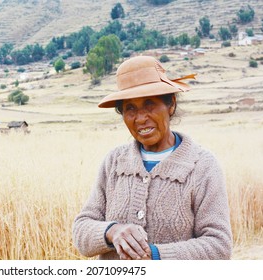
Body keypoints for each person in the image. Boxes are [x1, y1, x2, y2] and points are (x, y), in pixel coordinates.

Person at [72, 56, 232, 260]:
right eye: (130, 108)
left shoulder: (202, 166)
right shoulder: (114, 162)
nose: (140, 118)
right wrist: (112, 231)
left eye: (150, 105)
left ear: (171, 105)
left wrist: (156, 256)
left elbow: (219, 246)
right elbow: (81, 230)